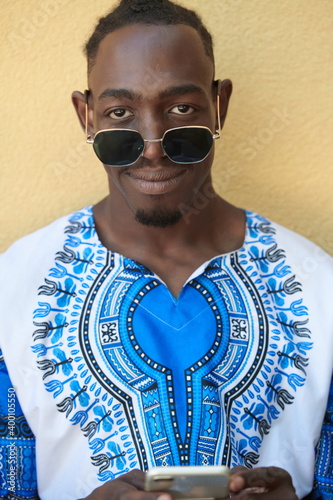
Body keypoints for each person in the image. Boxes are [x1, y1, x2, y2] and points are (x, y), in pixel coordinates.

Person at [0, 1, 332, 499]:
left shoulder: (320, 287)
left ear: (219, 105)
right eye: (120, 113)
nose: (153, 144)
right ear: (85, 116)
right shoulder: (12, 288)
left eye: (181, 108)